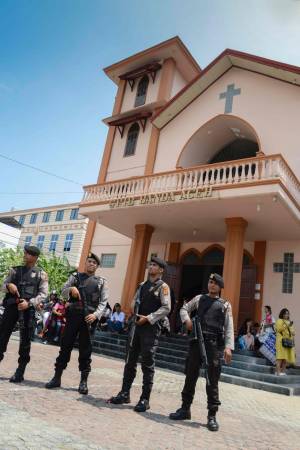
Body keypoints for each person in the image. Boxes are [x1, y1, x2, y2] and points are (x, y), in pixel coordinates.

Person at [169, 273, 234, 432]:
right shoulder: (199, 299)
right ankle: (185, 409)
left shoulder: (225, 305)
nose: (212, 285)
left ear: (220, 287)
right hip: (196, 342)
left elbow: (229, 326)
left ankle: (212, 416)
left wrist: (228, 347)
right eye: (210, 282)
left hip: (213, 346)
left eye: (215, 283)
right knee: (190, 376)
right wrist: (187, 320)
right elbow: (184, 308)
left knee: (212, 380)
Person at [109, 256, 171, 412]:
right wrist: (132, 312)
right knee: (130, 360)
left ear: (161, 270)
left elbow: (166, 308)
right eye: (150, 264)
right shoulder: (142, 285)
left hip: (150, 328)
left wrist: (149, 318)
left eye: (154, 265)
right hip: (136, 327)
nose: (151, 267)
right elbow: (133, 301)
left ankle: (145, 399)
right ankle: (124, 393)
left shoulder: (163, 287)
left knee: (147, 363)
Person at [45, 252, 108, 394]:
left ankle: (83, 382)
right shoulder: (75, 277)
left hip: (88, 319)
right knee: (65, 346)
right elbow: (62, 291)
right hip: (73, 317)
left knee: (85, 351)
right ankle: (57, 377)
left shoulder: (101, 281)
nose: (91, 264)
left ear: (97, 266)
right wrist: (70, 289)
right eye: (89, 261)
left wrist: (96, 315)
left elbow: (103, 302)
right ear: (85, 263)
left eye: (94, 263)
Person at [0, 245, 48, 382]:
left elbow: (43, 294)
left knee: (25, 341)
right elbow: (3, 286)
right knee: (2, 335)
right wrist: (9, 286)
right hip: (11, 308)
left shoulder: (41, 274)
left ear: (34, 257)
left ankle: (20, 371)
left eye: (28, 253)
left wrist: (29, 303)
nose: (25, 255)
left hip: (27, 310)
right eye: (25, 252)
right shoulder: (14, 271)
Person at [275, 308, 296, 376]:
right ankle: (277, 372)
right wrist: (287, 325)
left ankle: (283, 372)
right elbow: (278, 329)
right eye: (285, 313)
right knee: (280, 357)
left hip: (288, 342)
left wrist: (292, 332)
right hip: (281, 341)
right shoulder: (279, 321)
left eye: (287, 313)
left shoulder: (289, 322)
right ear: (282, 314)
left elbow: (293, 332)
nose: (286, 315)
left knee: (285, 358)